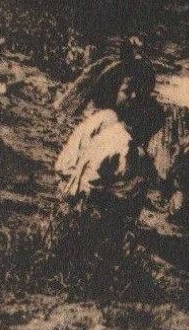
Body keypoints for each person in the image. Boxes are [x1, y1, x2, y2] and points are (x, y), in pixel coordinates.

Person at [53, 58, 167, 256]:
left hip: (73, 194)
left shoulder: (107, 119)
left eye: (138, 92)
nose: (133, 97)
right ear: (113, 90)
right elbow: (98, 175)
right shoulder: (111, 125)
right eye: (127, 91)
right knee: (136, 179)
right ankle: (108, 240)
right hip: (85, 200)